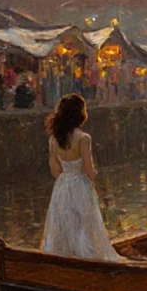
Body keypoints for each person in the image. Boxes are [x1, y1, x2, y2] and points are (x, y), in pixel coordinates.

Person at [39, 93, 120, 260]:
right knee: (84, 224)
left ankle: (63, 259)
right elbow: (89, 170)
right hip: (80, 185)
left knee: (63, 223)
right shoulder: (83, 139)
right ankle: (86, 258)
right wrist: (102, 190)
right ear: (79, 114)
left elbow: (55, 170)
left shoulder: (54, 139)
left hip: (62, 186)